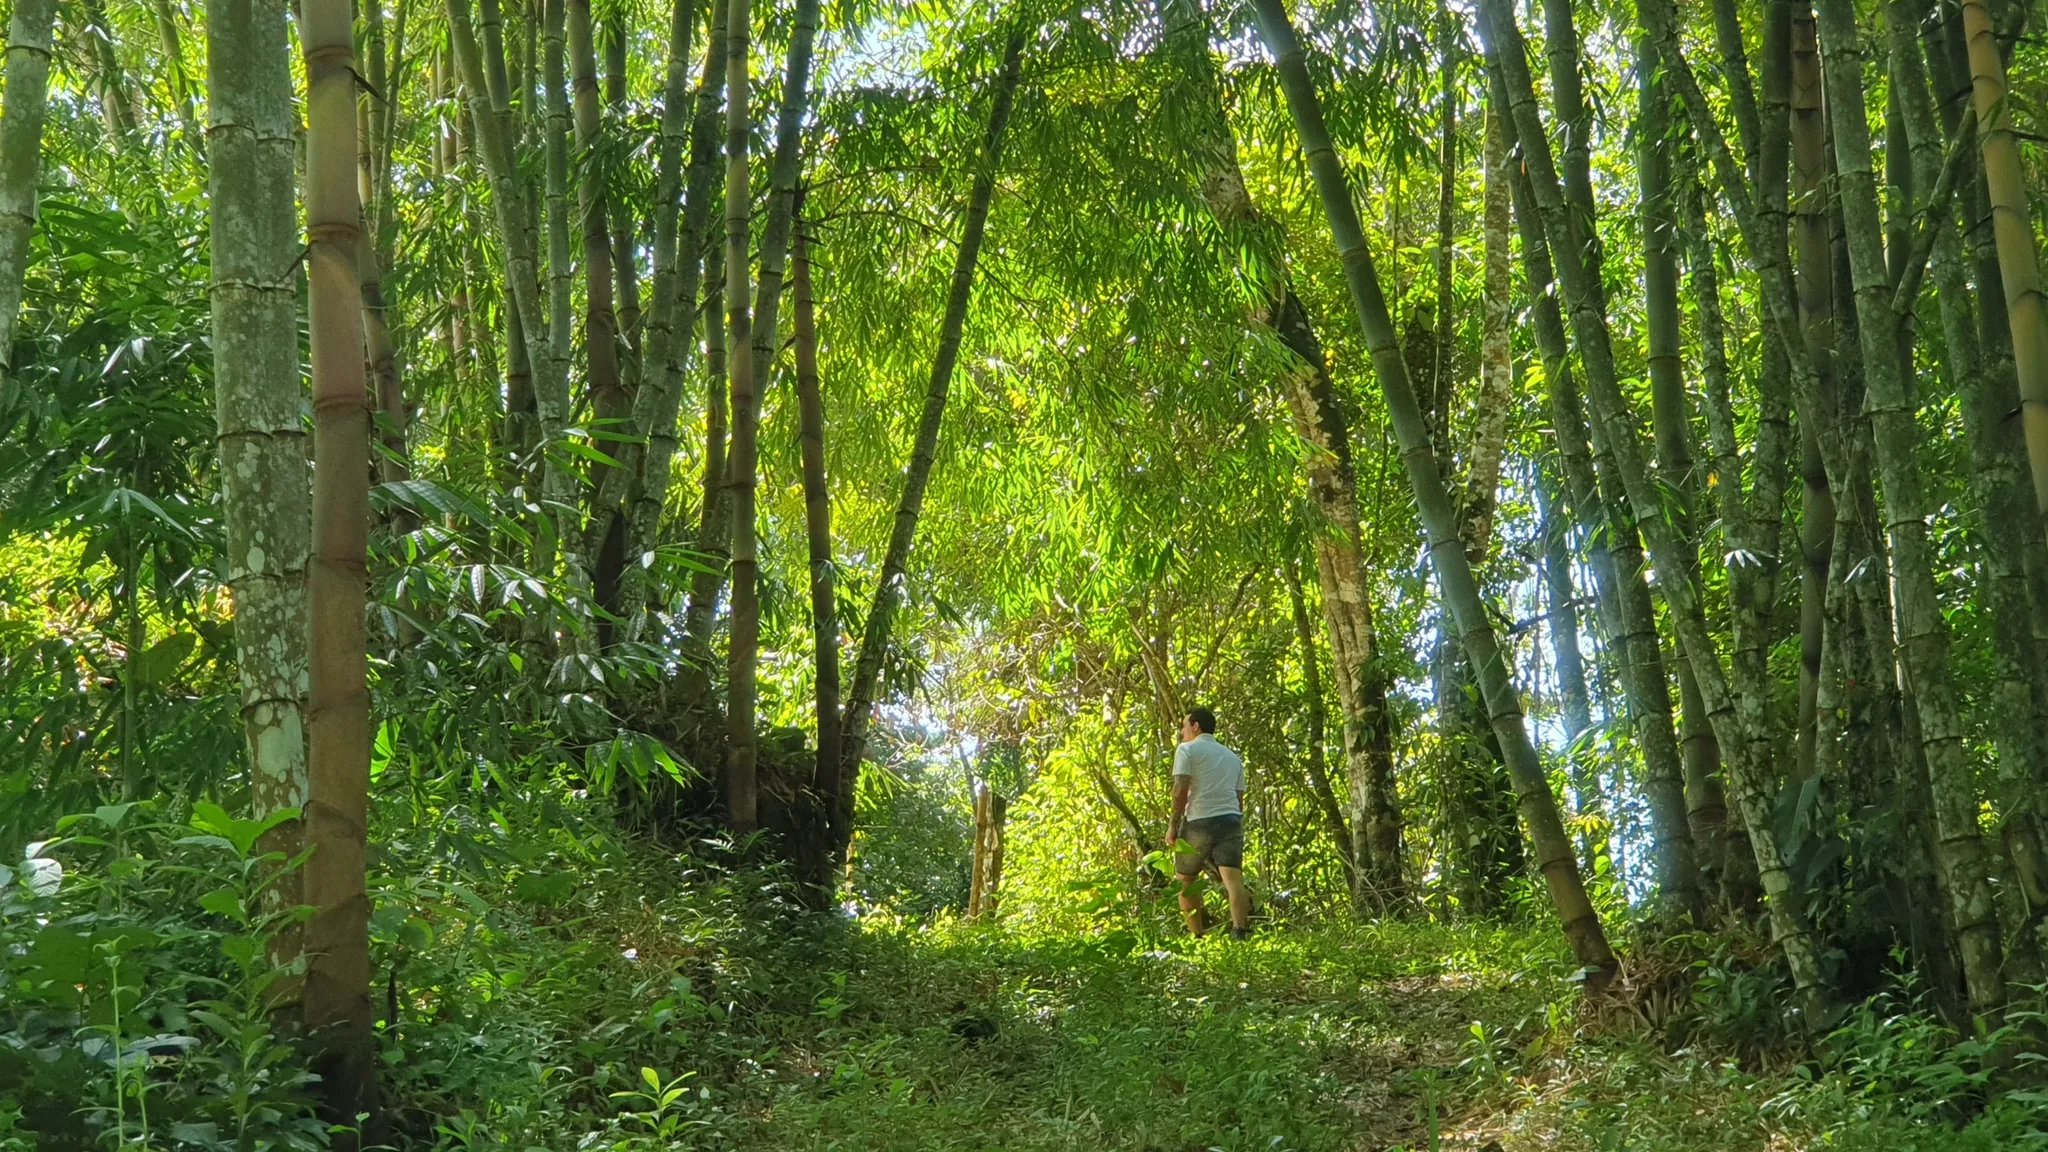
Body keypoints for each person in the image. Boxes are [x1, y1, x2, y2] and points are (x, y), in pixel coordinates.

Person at [1166, 706, 1250, 939]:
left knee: (1185, 879)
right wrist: (1233, 821)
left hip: (1198, 820)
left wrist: (1173, 825)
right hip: (1230, 819)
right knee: (1234, 879)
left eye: (1184, 725)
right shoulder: (1232, 757)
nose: (1182, 731)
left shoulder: (1186, 749)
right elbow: (1239, 798)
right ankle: (1239, 931)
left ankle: (1197, 936)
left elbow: (1180, 790)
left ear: (1195, 726)